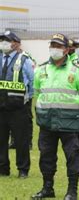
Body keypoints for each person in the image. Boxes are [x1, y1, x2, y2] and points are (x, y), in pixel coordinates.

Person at [31, 33, 79, 200]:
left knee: (72, 156)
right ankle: (47, 188)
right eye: (52, 45)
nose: (54, 49)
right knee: (46, 156)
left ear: (66, 50)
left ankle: (72, 191)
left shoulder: (78, 72)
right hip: (46, 121)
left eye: (58, 46)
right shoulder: (41, 70)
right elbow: (37, 92)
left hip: (68, 122)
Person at [0, 31, 34, 178]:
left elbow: (33, 82)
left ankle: (23, 169)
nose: (3, 43)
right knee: (1, 140)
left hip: (19, 108)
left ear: (17, 43)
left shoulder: (24, 59)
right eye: (2, 40)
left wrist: (26, 100)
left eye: (7, 40)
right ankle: (2, 168)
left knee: (21, 140)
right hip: (1, 107)